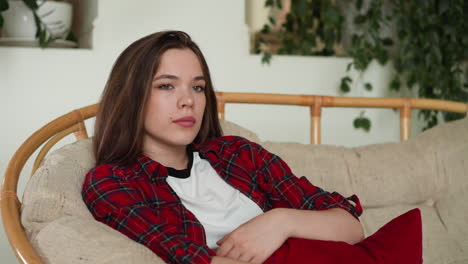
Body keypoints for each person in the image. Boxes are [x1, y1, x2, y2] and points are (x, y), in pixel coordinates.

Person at [82, 30, 364, 264]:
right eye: (167, 86)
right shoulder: (113, 182)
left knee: (407, 231)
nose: (188, 101)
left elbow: (351, 227)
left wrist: (281, 221)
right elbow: (180, 256)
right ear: (131, 96)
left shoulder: (238, 155)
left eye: (198, 87)